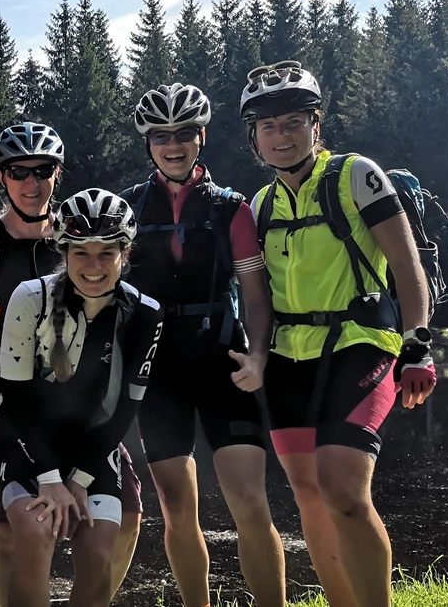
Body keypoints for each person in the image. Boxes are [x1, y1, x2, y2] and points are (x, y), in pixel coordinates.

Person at [241, 60, 438, 607]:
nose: (281, 136)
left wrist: (417, 343)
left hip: (360, 343)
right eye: (268, 126)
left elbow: (406, 265)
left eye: (293, 122)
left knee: (344, 490)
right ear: (254, 137)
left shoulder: (356, 175)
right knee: (308, 495)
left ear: (316, 125)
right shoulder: (259, 205)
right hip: (287, 360)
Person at [0, 123, 146, 606]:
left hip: (74, 399)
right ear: (2, 178)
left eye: (43, 171)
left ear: (57, 174)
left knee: (129, 506)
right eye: (19, 172)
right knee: (0, 522)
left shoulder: (77, 232)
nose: (32, 183)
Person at [120, 84, 287, 607]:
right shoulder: (126, 210)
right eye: (162, 136)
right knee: (177, 510)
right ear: (148, 142)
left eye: (185, 134)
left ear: (202, 136)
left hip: (224, 368)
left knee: (250, 504)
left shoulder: (230, 209)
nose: (174, 145)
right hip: (158, 374)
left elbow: (256, 295)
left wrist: (259, 356)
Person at [0, 189, 165, 607]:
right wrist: (51, 480)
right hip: (28, 440)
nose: (93, 266)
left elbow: (127, 407)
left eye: (107, 253)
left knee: (99, 553)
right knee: (35, 537)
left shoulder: (144, 313)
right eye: (81, 252)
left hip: (93, 448)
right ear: (63, 252)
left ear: (126, 253)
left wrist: (79, 479)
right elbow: (15, 399)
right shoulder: (29, 297)